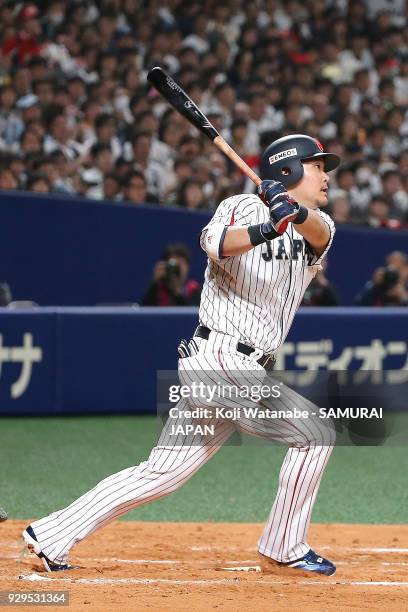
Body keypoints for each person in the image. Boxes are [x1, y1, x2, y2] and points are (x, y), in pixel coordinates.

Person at [23, 134, 339, 576]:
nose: (327, 175)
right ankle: (283, 545)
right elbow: (215, 244)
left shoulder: (317, 222)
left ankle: (52, 534)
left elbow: (320, 234)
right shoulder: (242, 206)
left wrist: (296, 213)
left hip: (239, 369)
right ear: (288, 169)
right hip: (220, 360)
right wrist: (268, 225)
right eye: (318, 165)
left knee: (163, 472)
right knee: (315, 433)